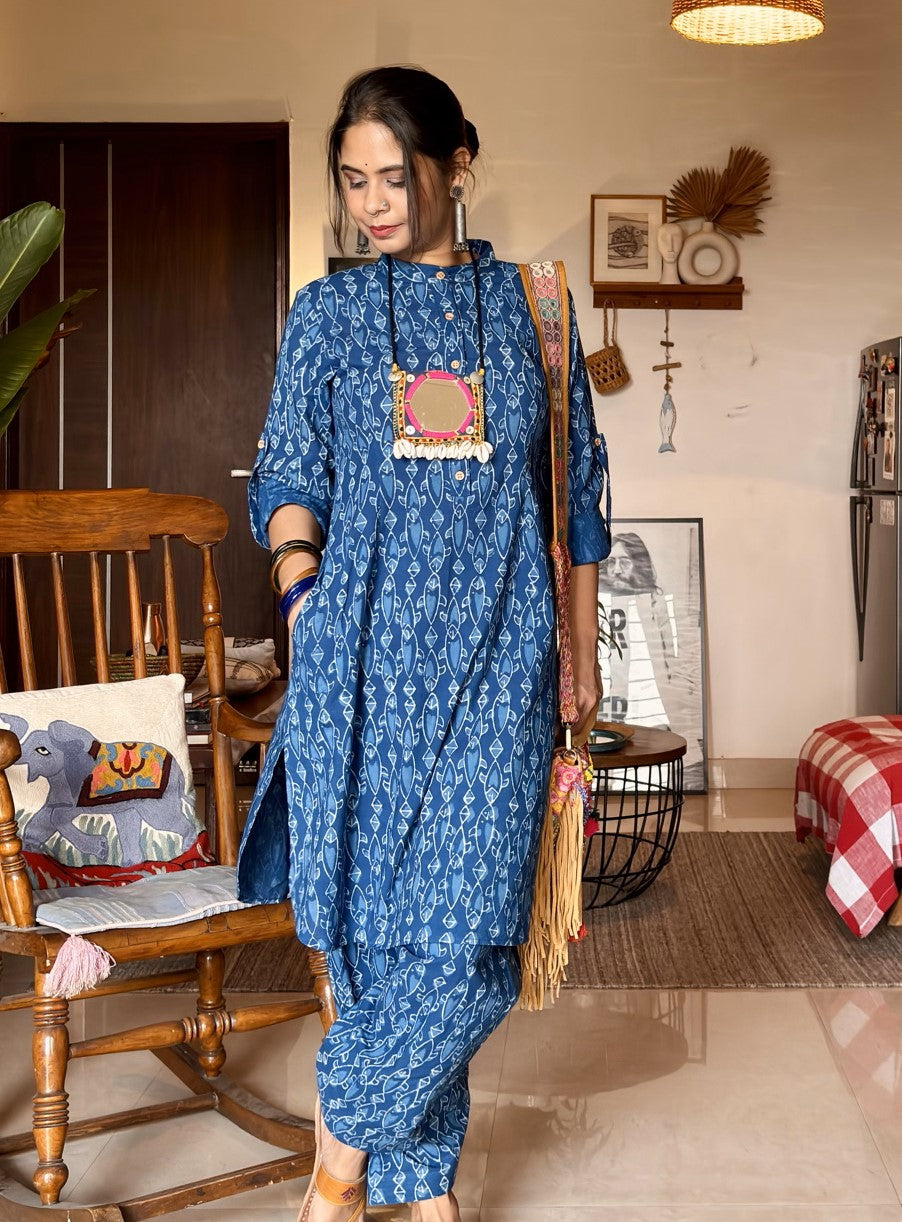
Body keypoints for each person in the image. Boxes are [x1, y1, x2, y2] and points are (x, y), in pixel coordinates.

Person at [236, 65, 611, 1222]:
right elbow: (290, 471)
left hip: (499, 655)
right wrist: (302, 588)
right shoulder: (329, 314)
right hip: (358, 662)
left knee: (468, 944)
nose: (372, 203)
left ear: (457, 165)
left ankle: (333, 1166)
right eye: (352, 182)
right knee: (373, 932)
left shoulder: (534, 310)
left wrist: (581, 651)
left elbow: (580, 494)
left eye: (394, 177)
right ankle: (422, 1194)